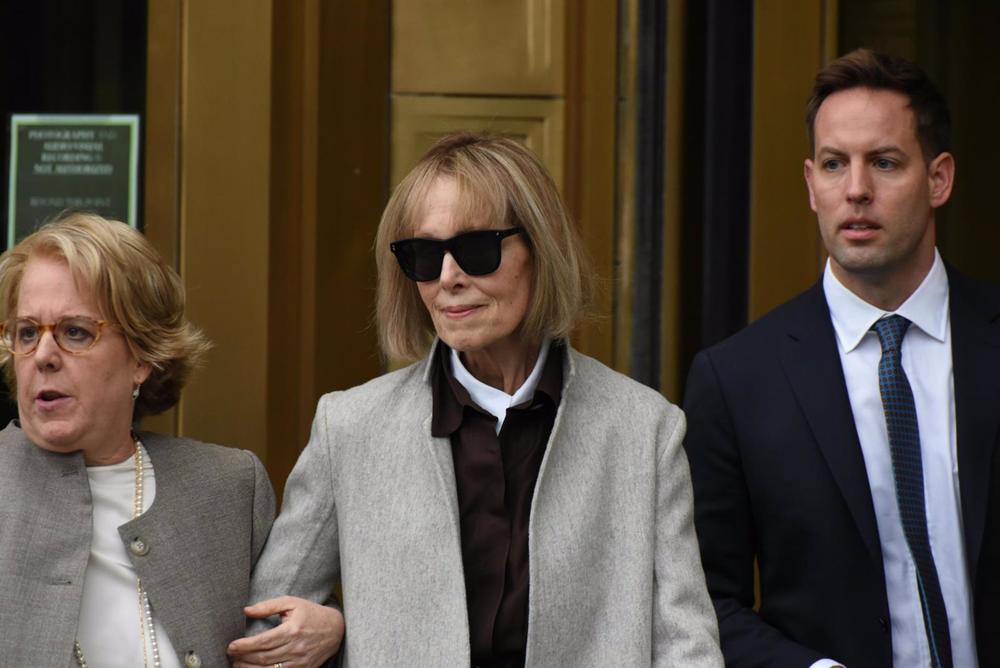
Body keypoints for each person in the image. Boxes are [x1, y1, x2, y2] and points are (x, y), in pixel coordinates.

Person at [229, 133, 723, 667]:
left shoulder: (644, 429)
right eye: (422, 255)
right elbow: (267, 632)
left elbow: (685, 644)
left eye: (475, 250)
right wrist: (350, 636)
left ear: (540, 249)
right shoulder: (351, 427)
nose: (447, 279)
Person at [683, 48, 1000, 667]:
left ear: (939, 179)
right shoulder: (736, 380)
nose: (856, 190)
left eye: (884, 162)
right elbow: (700, 604)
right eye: (835, 164)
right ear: (810, 185)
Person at [0, 213, 276, 667]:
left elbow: (294, 638)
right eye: (27, 332)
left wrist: (327, 631)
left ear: (143, 358)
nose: (43, 355)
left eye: (75, 332)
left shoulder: (229, 488)